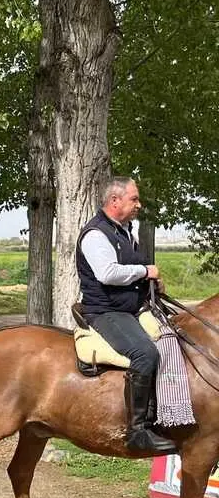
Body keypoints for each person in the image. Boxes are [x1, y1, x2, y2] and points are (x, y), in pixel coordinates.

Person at [76, 176, 175, 454]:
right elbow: (107, 273)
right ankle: (138, 431)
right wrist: (145, 272)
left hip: (130, 308)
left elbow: (134, 266)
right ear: (114, 200)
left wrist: (151, 281)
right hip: (106, 312)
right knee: (145, 354)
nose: (139, 204)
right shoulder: (96, 234)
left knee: (172, 338)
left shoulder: (123, 231)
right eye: (134, 199)